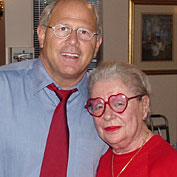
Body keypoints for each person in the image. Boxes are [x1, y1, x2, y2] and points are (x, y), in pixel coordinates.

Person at [0, 0, 108, 177]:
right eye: (62, 29)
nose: (73, 41)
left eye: (84, 32)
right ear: (41, 35)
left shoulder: (108, 105)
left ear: (96, 45)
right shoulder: (3, 88)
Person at [85, 61, 177, 177]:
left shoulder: (170, 165)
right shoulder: (100, 160)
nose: (107, 115)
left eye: (118, 103)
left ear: (144, 106)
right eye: (99, 106)